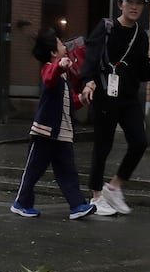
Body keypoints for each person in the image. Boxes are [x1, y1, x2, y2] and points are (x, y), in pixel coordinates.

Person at [78, 0, 150, 217]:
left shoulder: (140, 35)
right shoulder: (106, 28)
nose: (134, 7)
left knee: (139, 142)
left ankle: (114, 187)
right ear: (120, 4)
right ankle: (96, 197)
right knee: (103, 146)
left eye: (139, 3)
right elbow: (91, 57)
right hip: (105, 95)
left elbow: (142, 70)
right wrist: (88, 81)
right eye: (130, 2)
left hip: (128, 98)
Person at [10, 28, 97, 221]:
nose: (64, 46)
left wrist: (82, 99)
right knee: (33, 170)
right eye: (60, 43)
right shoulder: (50, 71)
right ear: (53, 53)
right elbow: (50, 75)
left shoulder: (64, 77)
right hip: (45, 132)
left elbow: (70, 101)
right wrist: (60, 66)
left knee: (68, 171)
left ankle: (77, 205)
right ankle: (21, 203)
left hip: (63, 133)